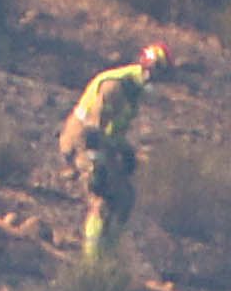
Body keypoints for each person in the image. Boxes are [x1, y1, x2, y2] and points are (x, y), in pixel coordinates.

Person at [57, 40, 173, 264]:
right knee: (101, 197)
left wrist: (125, 150)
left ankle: (109, 255)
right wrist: (96, 164)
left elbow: (112, 131)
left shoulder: (133, 93)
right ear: (145, 67)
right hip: (80, 140)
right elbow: (93, 130)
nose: (157, 81)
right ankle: (91, 265)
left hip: (102, 143)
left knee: (124, 197)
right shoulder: (114, 86)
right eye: (155, 73)